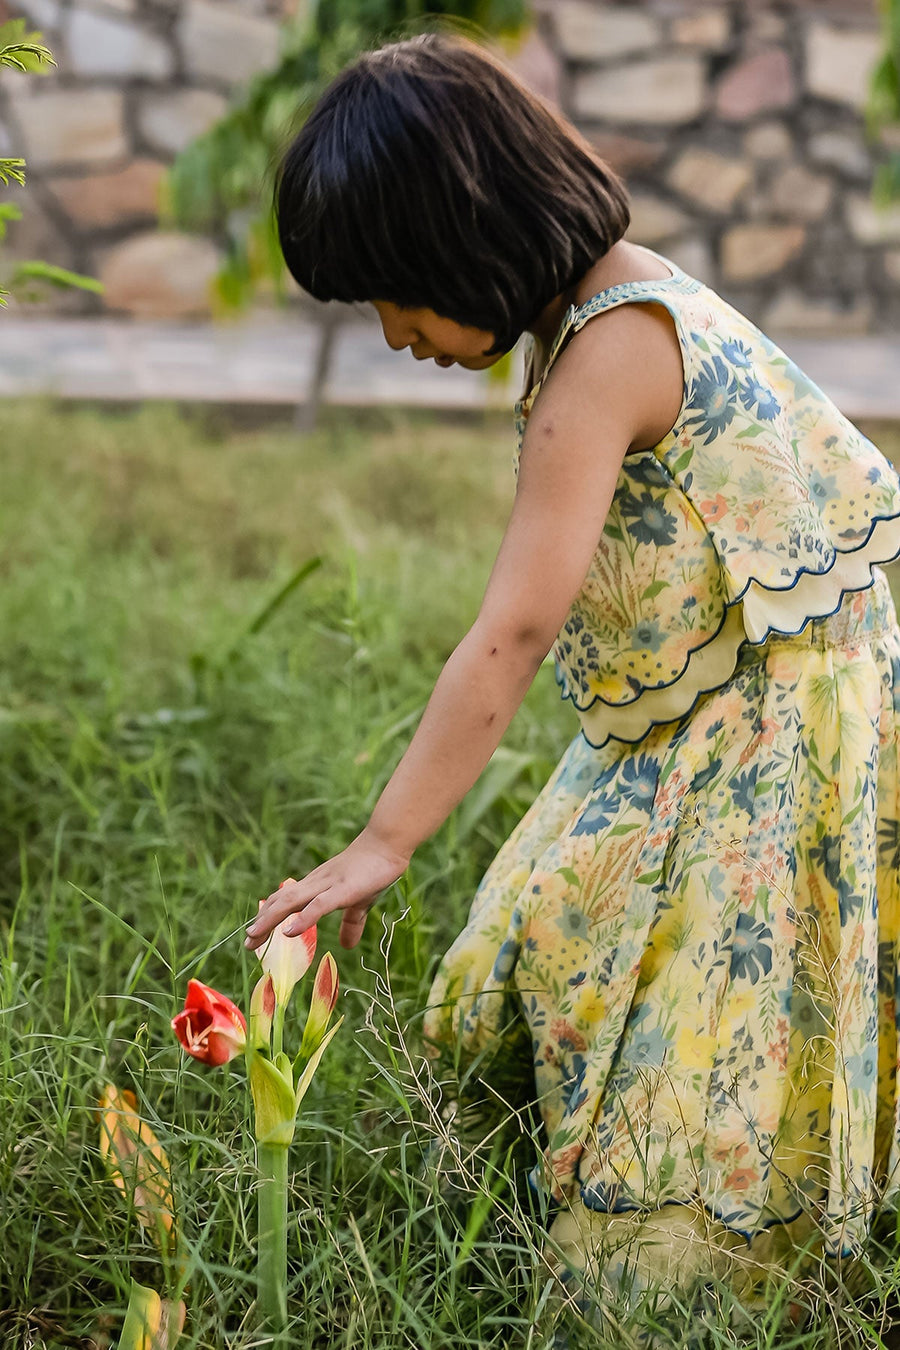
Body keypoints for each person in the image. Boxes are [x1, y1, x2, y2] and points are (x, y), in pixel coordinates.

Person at [244, 28, 900, 1322]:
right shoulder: (599, 311)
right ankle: (507, 1185)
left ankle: (688, 1274)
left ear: (462, 240)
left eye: (394, 295)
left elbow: (512, 630)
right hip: (688, 716)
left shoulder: (613, 347)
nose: (392, 335)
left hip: (773, 740)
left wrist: (384, 841)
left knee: (716, 1046)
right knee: (533, 944)